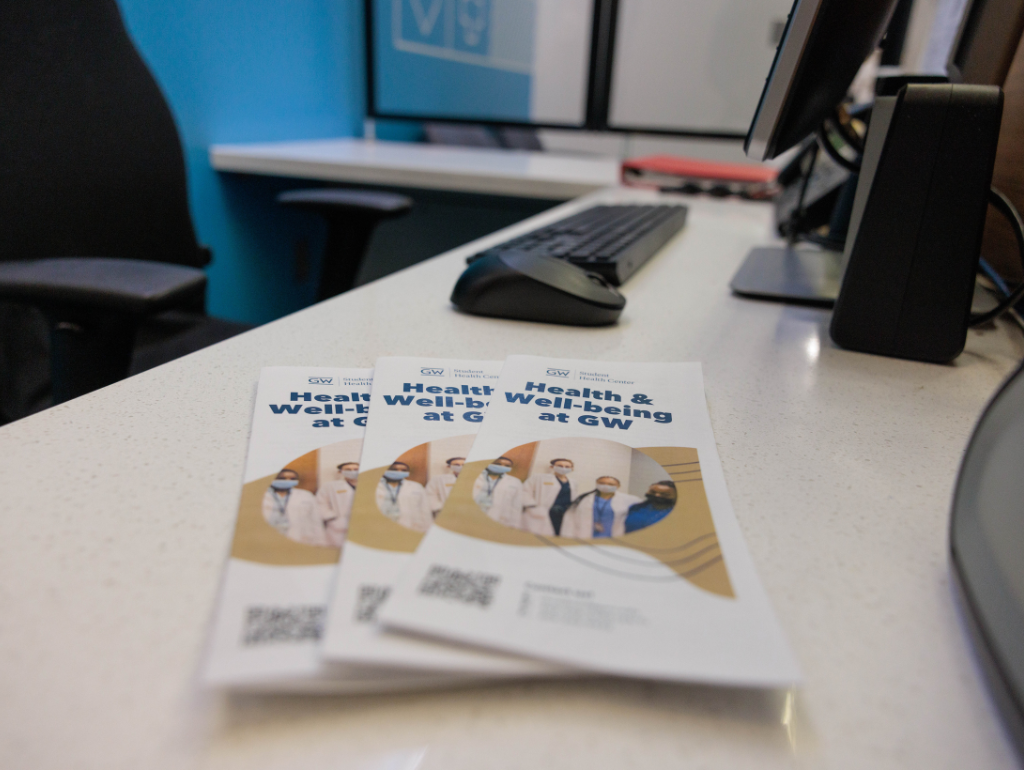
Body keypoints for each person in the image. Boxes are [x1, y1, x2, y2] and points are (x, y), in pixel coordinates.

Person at [560, 476, 641, 539]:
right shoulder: (583, 499)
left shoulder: (630, 500)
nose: (606, 486)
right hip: (585, 536)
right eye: (602, 483)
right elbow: (570, 519)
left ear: (618, 486)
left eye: (611, 484)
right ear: (597, 484)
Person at [262, 468, 326, 546]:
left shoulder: (305, 495)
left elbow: (315, 520)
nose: (287, 481)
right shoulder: (261, 495)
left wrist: (320, 542)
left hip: (299, 538)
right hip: (268, 538)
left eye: (292, 479)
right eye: (282, 478)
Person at [523, 458, 578, 535]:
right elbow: (524, 491)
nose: (563, 468)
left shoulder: (573, 482)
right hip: (545, 512)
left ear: (572, 469)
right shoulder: (539, 477)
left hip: (564, 514)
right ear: (552, 467)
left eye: (567, 466)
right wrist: (532, 506)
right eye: (560, 466)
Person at [472, 456, 528, 529]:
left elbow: (516, 505)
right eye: (498, 464)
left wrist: (514, 524)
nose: (502, 467)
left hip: (498, 518)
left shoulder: (515, 482)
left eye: (507, 466)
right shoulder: (474, 476)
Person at [375, 461, 433, 532]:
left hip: (410, 527)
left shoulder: (416, 486)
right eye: (394, 470)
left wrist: (427, 529)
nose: (399, 472)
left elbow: (425, 509)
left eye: (403, 470)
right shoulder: (374, 486)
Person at [315, 461, 359, 547]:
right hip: (339, 528)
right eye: (348, 470)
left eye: (356, 469)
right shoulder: (329, 486)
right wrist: (332, 518)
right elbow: (320, 504)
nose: (352, 471)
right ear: (340, 472)